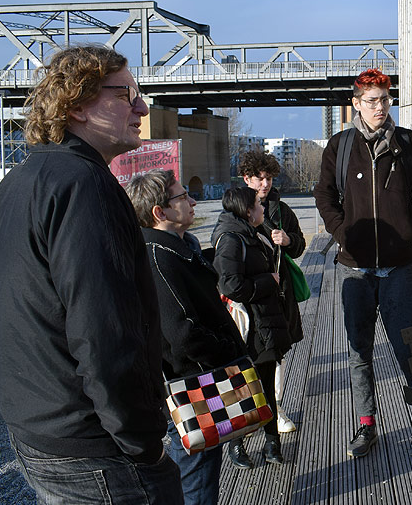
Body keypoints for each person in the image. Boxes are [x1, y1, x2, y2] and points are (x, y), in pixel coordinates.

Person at [0, 45, 184, 504]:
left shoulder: (20, 179)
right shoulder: (85, 185)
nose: (142, 107)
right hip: (96, 448)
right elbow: (104, 331)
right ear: (75, 105)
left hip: (39, 428)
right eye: (125, 94)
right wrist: (142, 441)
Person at [314, 68, 412, 458]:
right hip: (355, 268)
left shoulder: (406, 143)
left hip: (400, 268)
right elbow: (324, 195)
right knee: (360, 351)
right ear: (355, 104)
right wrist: (343, 233)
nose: (380, 107)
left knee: (409, 350)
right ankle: (366, 424)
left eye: (385, 99)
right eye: (371, 100)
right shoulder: (339, 147)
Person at [126, 169, 247, 505]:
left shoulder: (179, 246)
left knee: (203, 469)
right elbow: (182, 334)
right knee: (196, 480)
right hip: (192, 387)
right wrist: (231, 350)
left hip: (200, 381)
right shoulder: (157, 257)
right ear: (159, 212)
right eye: (182, 197)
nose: (193, 201)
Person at [211, 187, 297, 468]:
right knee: (241, 389)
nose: (264, 208)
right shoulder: (230, 239)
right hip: (246, 329)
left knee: (266, 387)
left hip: (264, 324)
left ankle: (272, 443)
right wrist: (268, 282)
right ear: (248, 211)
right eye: (259, 205)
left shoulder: (253, 233)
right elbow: (231, 286)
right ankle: (237, 445)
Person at [239, 150, 306, 434]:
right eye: (258, 178)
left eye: (268, 178)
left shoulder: (282, 211)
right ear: (246, 178)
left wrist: (289, 239)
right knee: (248, 356)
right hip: (247, 297)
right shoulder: (236, 210)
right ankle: (249, 413)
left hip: (279, 295)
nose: (264, 184)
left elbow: (300, 245)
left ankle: (276, 409)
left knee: (278, 353)